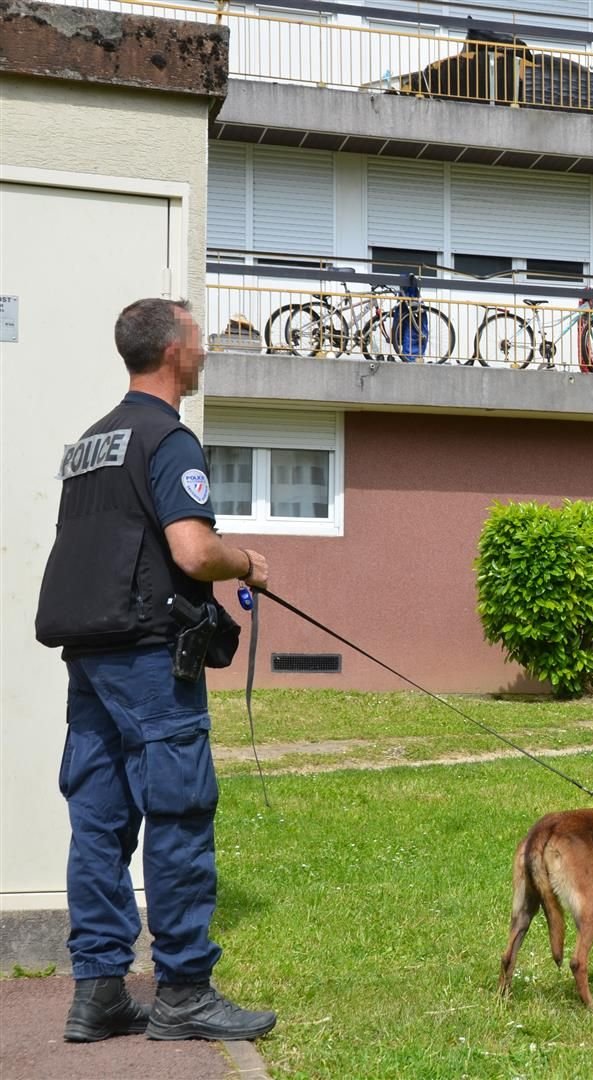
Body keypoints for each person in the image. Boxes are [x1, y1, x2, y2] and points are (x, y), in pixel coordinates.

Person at [33, 299, 277, 1044]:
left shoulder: (91, 443)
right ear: (173, 351)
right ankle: (184, 995)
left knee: (98, 828)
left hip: (91, 663)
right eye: (199, 339)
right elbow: (193, 551)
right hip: (149, 661)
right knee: (177, 817)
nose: (204, 351)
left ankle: (100, 992)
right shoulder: (169, 439)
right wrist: (249, 563)